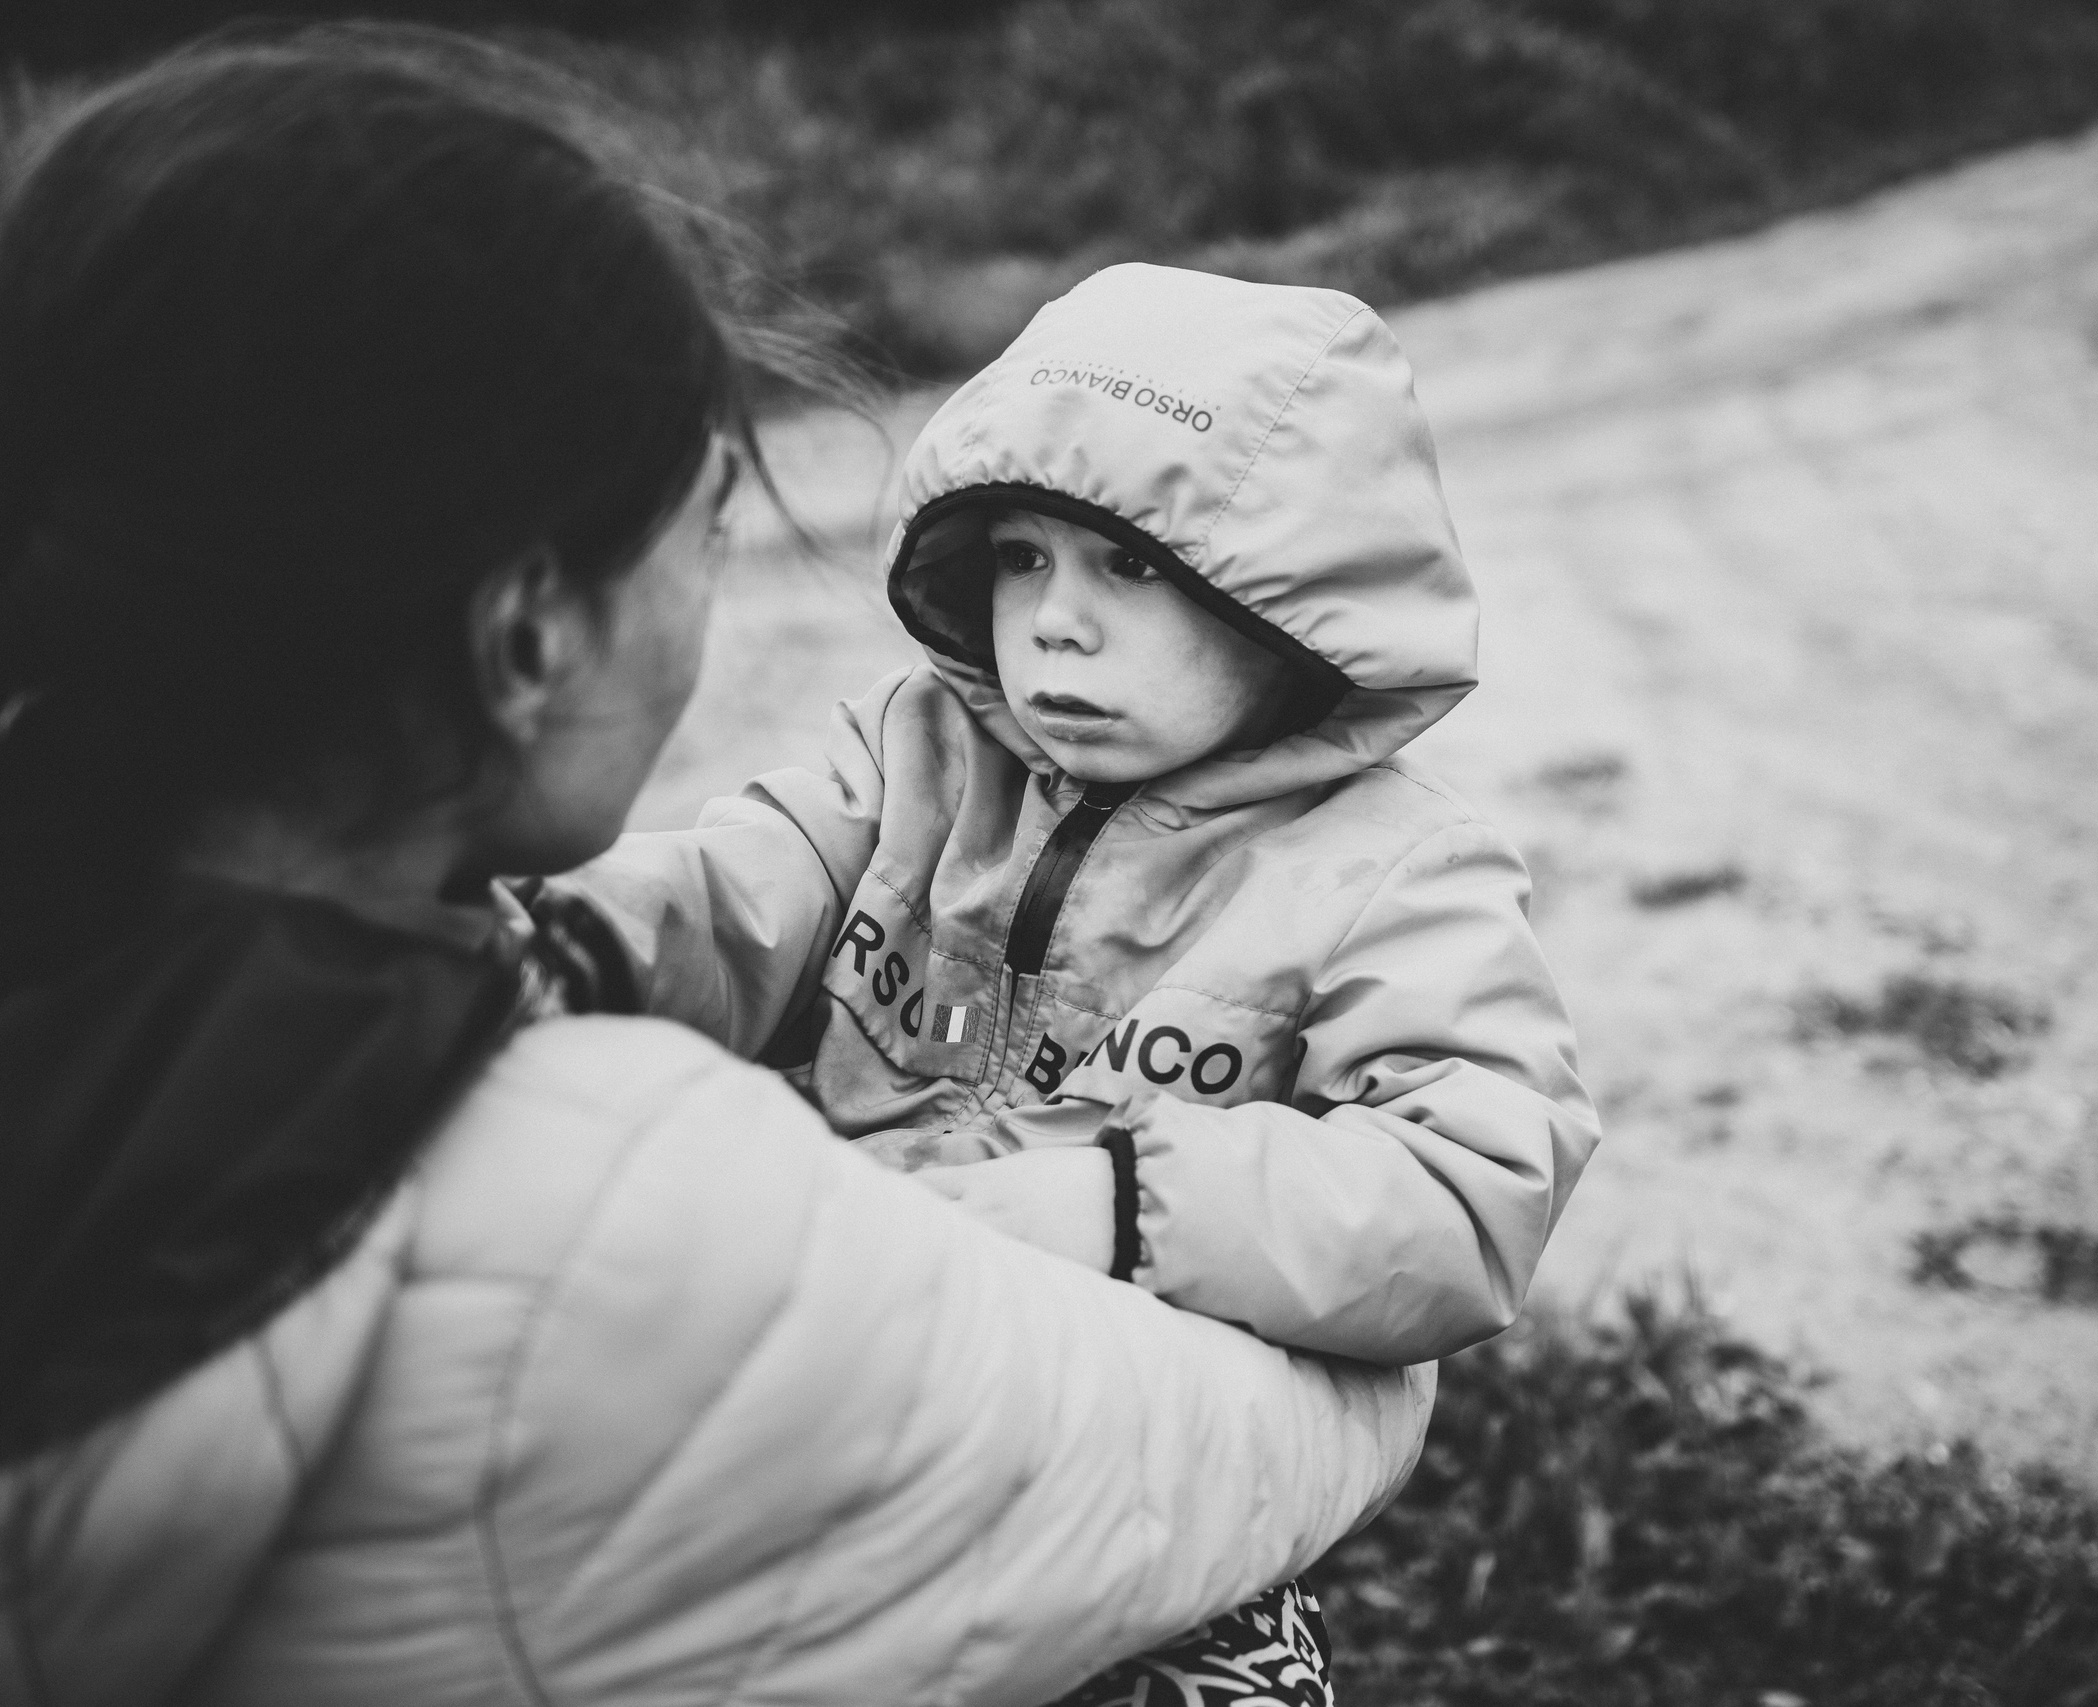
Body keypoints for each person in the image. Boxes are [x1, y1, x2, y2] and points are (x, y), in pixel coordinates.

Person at [0, 35, 1430, 1707]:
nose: (1049, 622)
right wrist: (1379, 1374)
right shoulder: (617, 1208)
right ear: (529, 632)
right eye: (707, 528)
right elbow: (1184, 1460)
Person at [558, 261, 1602, 1704]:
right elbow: (754, 886)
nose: (1056, 621)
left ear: (1293, 609)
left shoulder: (1395, 874)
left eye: (1138, 568)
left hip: (1132, 1460)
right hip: (842, 1376)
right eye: (1024, 556)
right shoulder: (924, 753)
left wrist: (1121, 1205)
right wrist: (578, 942)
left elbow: (1472, 1186)